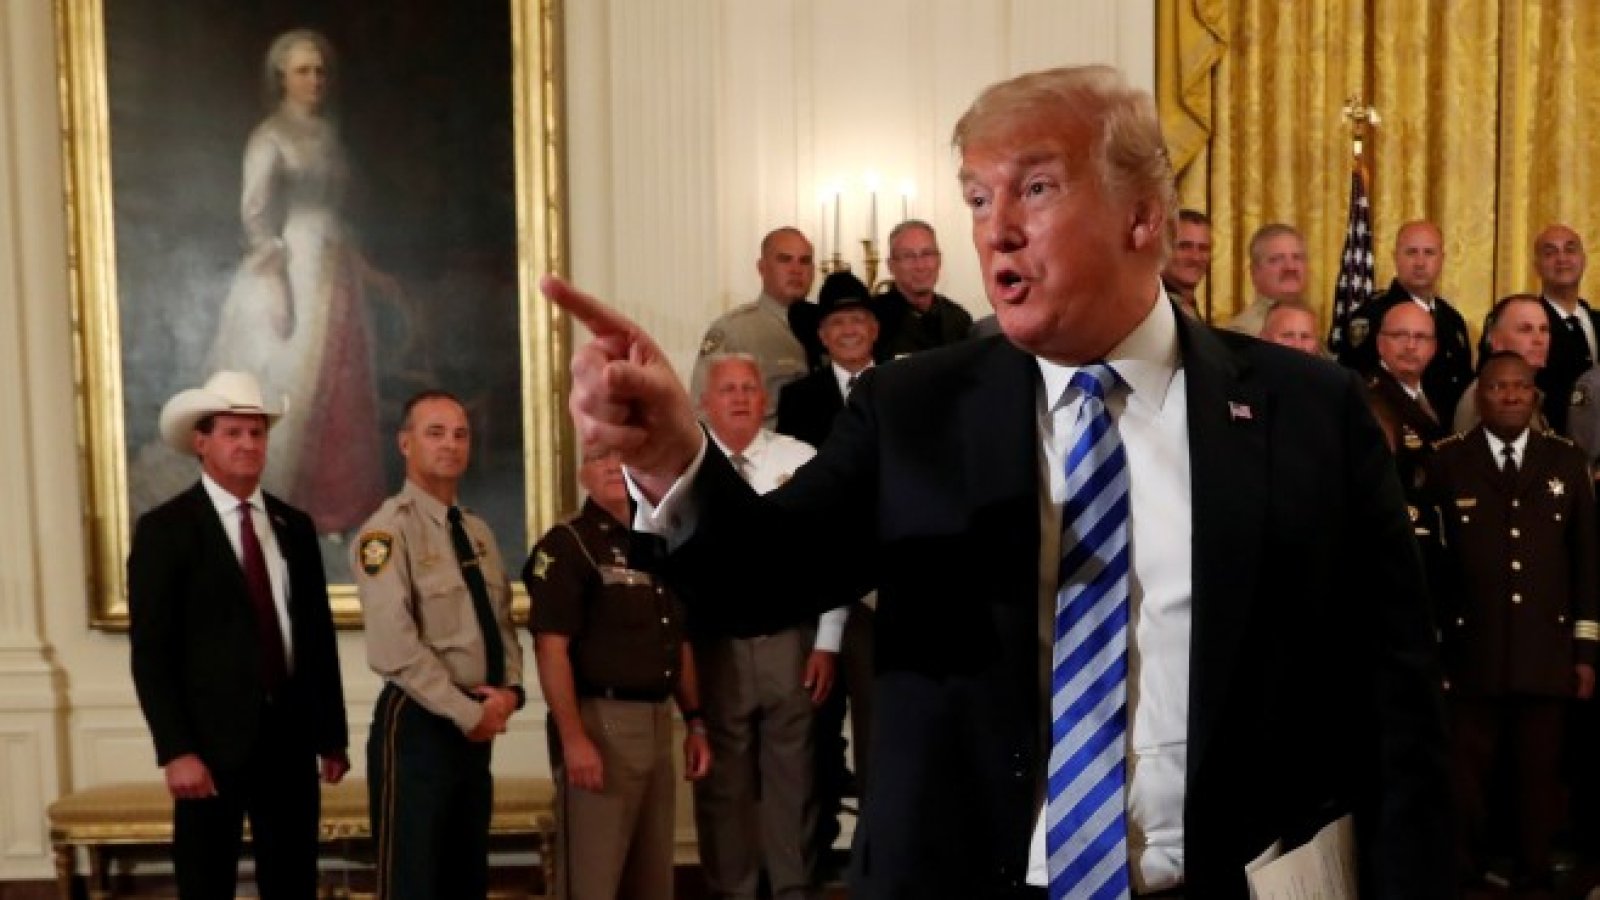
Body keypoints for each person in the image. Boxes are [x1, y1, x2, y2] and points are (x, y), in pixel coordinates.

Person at [543, 65, 1450, 898]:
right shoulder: (913, 411)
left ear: (1142, 217)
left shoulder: (1309, 412)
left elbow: (1397, 698)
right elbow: (757, 580)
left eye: (1036, 188)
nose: (995, 228)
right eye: (978, 197)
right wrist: (672, 459)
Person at [129, 370, 349, 899]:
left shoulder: (294, 525)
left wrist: (331, 736)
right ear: (201, 442)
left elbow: (317, 639)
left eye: (257, 432)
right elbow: (152, 654)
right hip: (208, 748)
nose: (248, 443)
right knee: (206, 884)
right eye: (233, 432)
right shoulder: (166, 530)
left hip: (290, 740)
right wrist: (176, 750)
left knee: (293, 882)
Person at [1423, 351, 1598, 892]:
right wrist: (1436, 652)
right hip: (1470, 654)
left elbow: (1587, 563)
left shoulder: (1565, 461)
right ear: (1480, 397)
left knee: (1539, 782)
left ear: (1535, 395)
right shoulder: (1448, 462)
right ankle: (1466, 880)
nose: (1511, 395)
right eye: (1499, 387)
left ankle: (1534, 877)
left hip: (1546, 656)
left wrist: (1585, 653)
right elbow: (1433, 569)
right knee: (1466, 784)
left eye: (1521, 386)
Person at [204, 29, 387, 535]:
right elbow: (256, 216)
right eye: (304, 71)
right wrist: (279, 286)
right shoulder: (269, 137)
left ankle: (342, 506)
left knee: (344, 382)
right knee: (296, 378)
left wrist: (364, 266)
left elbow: (337, 210)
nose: (315, 80)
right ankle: (290, 504)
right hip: (295, 265)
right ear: (282, 77)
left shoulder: (327, 135)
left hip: (336, 264)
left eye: (320, 71)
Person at [354, 390, 525, 900]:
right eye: (435, 433)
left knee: (465, 880)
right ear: (405, 443)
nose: (450, 444)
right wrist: (469, 714)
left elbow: (503, 624)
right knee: (413, 882)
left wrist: (510, 693)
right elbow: (395, 649)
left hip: (477, 727)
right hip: (419, 725)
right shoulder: (386, 532)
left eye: (460, 434)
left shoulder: (477, 532)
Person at [524, 447, 712, 900]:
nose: (613, 466)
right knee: (593, 879)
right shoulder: (568, 544)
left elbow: (679, 639)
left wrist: (695, 722)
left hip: (658, 722)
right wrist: (573, 739)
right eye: (599, 457)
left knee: (652, 880)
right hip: (600, 724)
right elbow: (551, 649)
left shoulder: (662, 542)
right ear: (582, 474)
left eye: (623, 456)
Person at [693, 354, 848, 900]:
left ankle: (791, 888)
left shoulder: (800, 459)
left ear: (766, 400)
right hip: (717, 644)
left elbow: (834, 556)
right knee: (724, 778)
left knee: (793, 773)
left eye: (748, 388)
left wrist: (827, 642)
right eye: (727, 389)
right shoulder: (687, 465)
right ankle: (731, 889)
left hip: (788, 638)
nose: (739, 398)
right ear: (705, 404)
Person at [775, 270, 881, 882]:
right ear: (821, 335)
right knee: (813, 733)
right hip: (817, 584)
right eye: (837, 322)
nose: (848, 330)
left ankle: (877, 860)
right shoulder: (800, 399)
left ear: (874, 329)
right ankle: (810, 867)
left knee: (881, 731)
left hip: (883, 587)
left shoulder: (901, 387)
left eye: (858, 319)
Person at [1341, 222, 1474, 418]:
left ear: (1442, 259)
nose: (1420, 263)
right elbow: (1358, 386)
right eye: (1411, 252)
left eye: (1429, 253)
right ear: (1395, 257)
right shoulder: (1372, 316)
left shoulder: (1453, 321)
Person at [690, 227, 818, 422]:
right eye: (785, 260)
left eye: (805, 261)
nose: (796, 270)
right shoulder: (733, 331)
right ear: (762, 268)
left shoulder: (833, 328)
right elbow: (704, 411)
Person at [1365, 303, 1446, 500]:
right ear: (1380, 343)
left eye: (1421, 337)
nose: (1410, 346)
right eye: (1399, 335)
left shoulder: (1442, 393)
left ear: (1433, 347)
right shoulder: (1368, 398)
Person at [1531, 225, 1597, 434]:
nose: (1562, 259)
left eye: (1570, 250)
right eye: (1550, 253)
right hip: (1550, 443)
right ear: (1536, 266)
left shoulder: (1597, 321)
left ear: (1583, 260)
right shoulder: (1526, 322)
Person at [874, 220, 974, 358]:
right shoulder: (871, 320)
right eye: (908, 256)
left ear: (939, 260)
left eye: (927, 254)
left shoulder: (959, 319)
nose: (920, 266)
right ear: (891, 266)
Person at [1454, 294, 1552, 435]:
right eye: (1525, 329)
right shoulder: (1485, 398)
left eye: (1544, 329)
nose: (1539, 340)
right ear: (1495, 340)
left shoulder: (1530, 392)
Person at [1223, 223, 1308, 335]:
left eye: (1297, 257)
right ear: (1254, 272)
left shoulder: (1312, 325)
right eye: (1277, 259)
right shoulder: (1242, 333)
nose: (1290, 267)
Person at [1161, 209, 1212, 319]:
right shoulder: (1147, 311)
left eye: (1203, 248)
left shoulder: (1188, 308)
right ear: (1162, 249)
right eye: (1184, 247)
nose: (1195, 257)